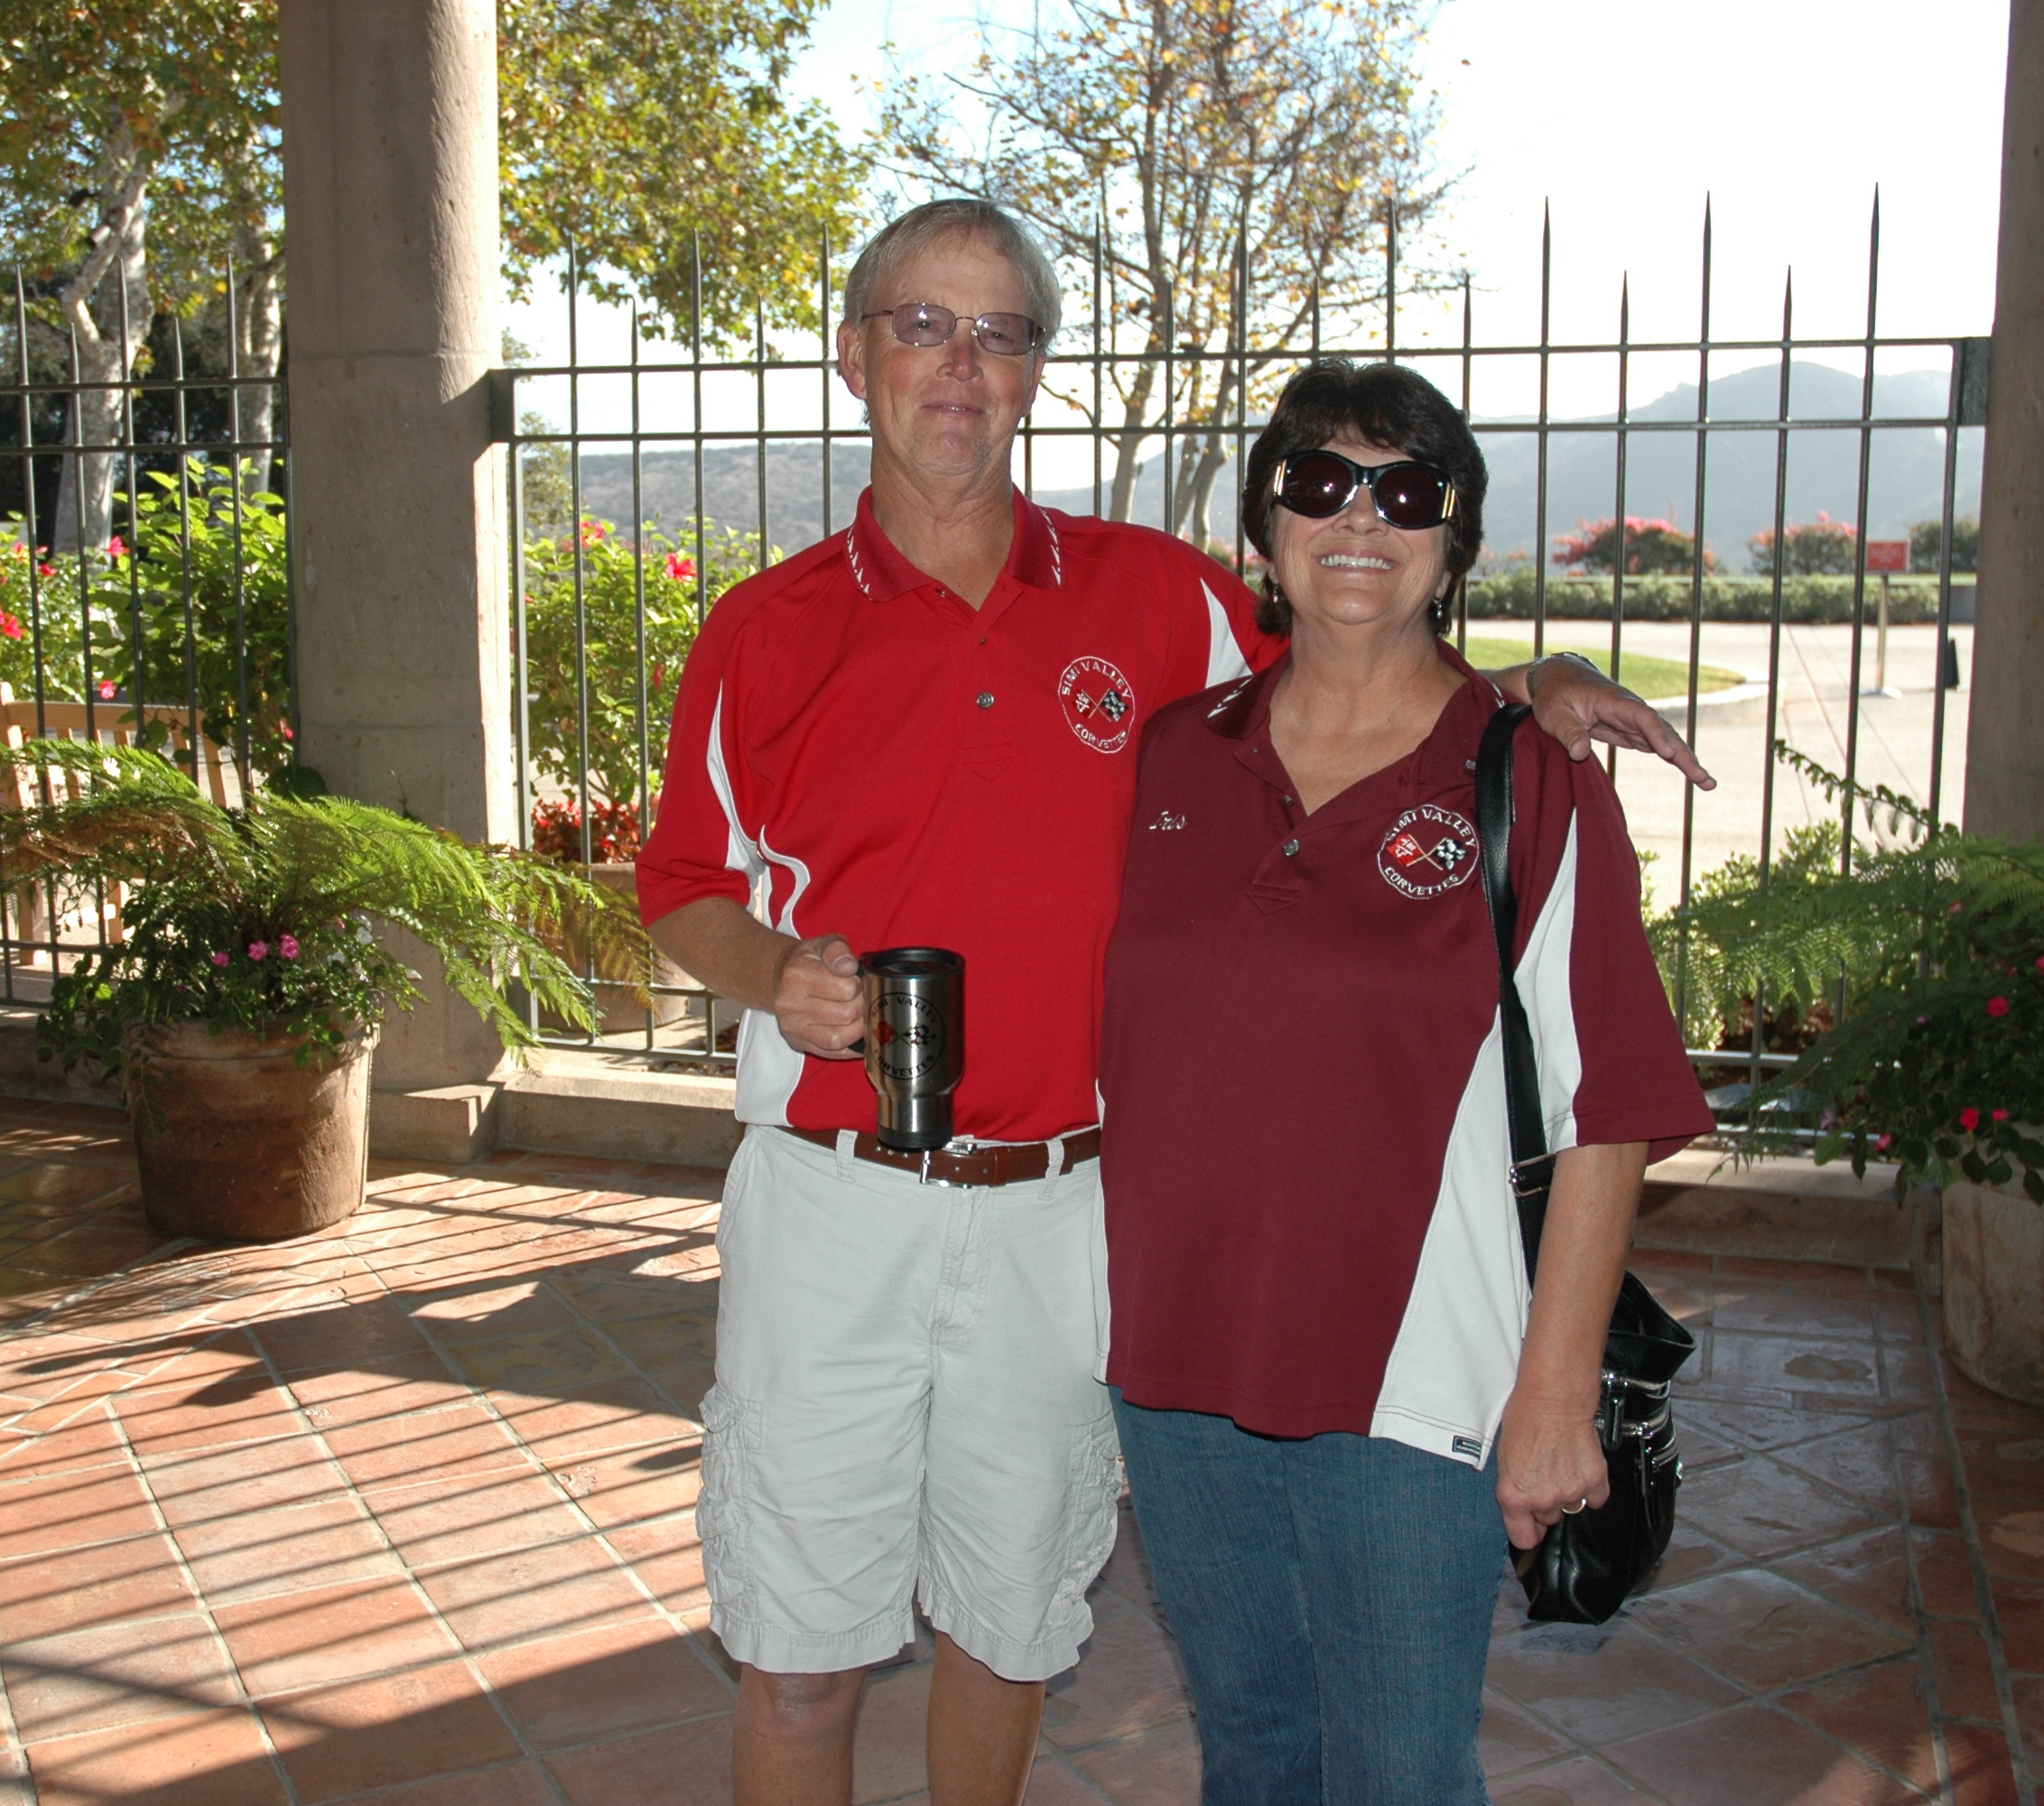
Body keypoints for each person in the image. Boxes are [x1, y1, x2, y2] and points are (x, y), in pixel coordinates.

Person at [635, 202, 1711, 1806]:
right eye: (924, 326)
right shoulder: (760, 632)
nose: (962, 365)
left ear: (1037, 378)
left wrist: (1529, 688)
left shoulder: (1156, 598)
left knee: (1012, 1629)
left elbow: (1364, 623)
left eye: (1001, 334)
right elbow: (682, 888)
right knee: (799, 1657)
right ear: (857, 354)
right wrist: (769, 975)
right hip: (832, 1204)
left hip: (1067, 1218)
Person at [1096, 357, 1718, 1805]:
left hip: (1414, 1383)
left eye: (1406, 490)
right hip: (1174, 1371)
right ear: (1263, 527)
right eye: (1317, 483)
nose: (1357, 517)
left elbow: (1609, 1111)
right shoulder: (1176, 756)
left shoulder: (1529, 782)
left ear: (1453, 541)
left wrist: (1555, 1397)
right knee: (1251, 1749)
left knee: (1395, 1771)